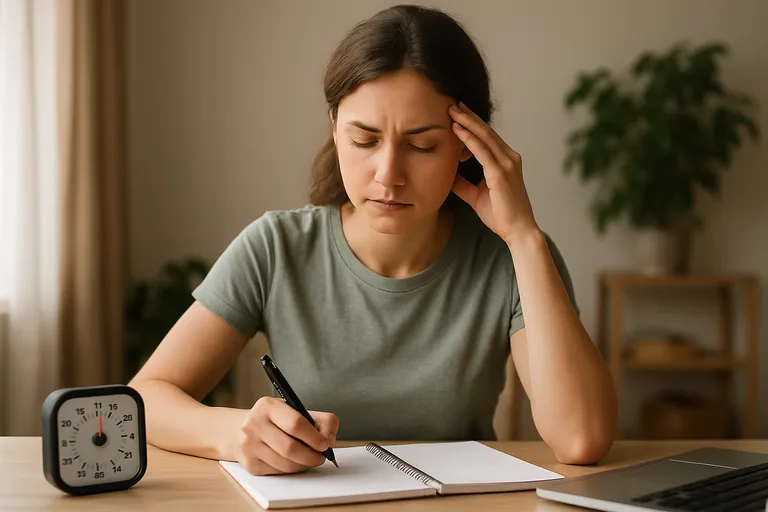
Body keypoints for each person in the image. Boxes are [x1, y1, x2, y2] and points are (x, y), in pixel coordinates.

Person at [129, 4, 618, 476]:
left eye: (422, 146)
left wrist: (524, 236)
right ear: (335, 131)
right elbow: (146, 397)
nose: (388, 175)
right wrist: (233, 433)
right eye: (364, 140)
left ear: (470, 144)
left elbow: (580, 439)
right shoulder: (276, 247)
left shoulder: (512, 256)